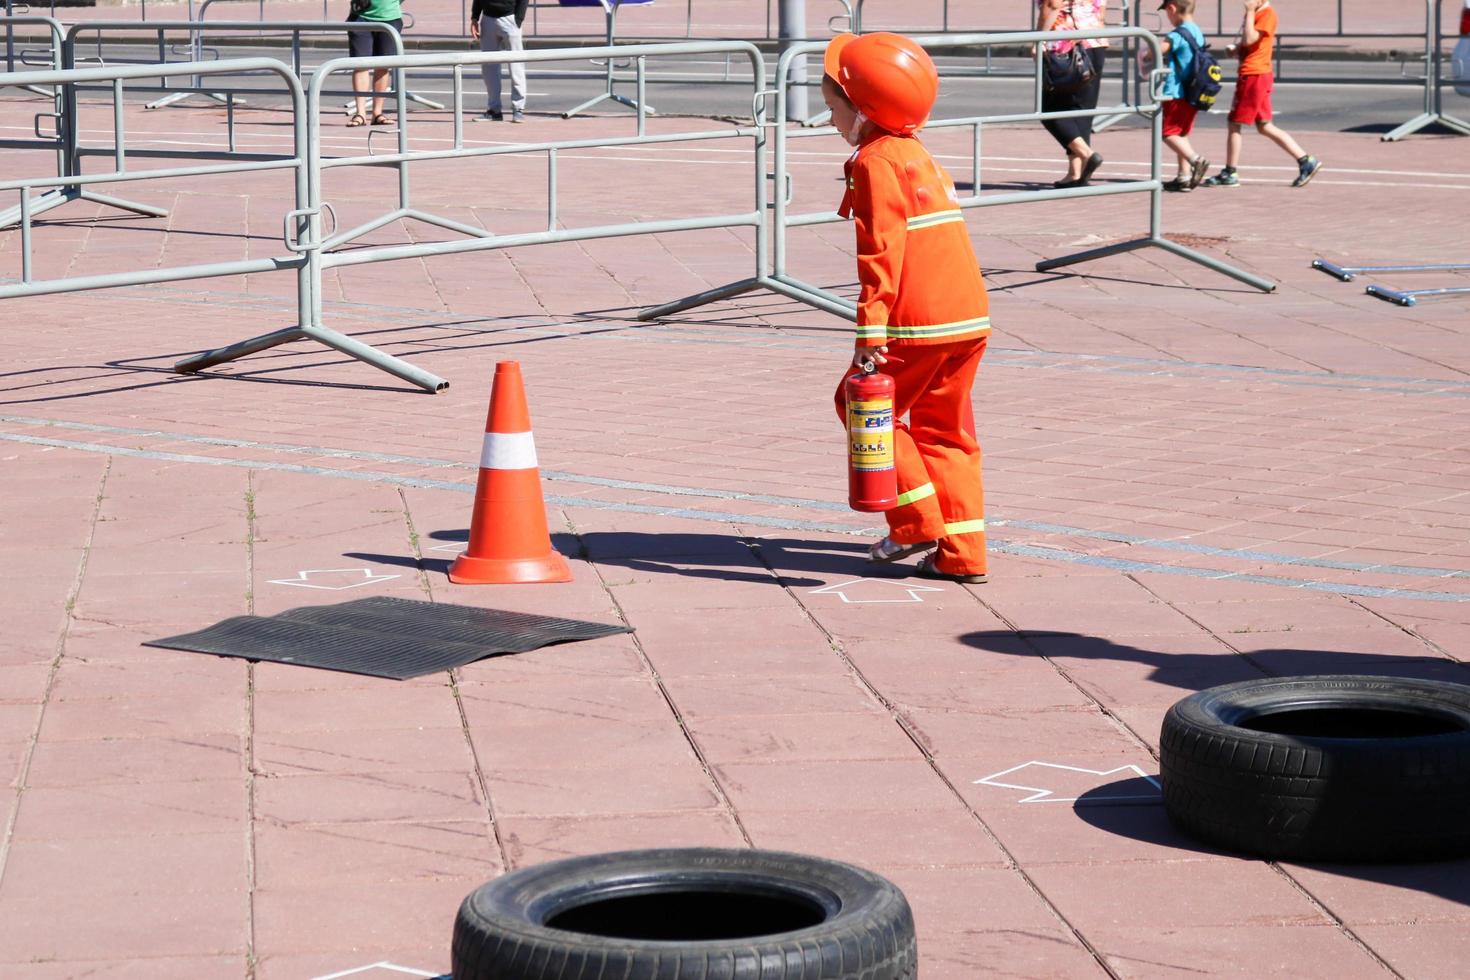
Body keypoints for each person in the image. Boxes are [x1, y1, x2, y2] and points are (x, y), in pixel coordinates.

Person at [822, 32, 993, 585]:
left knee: (860, 405)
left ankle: (916, 521)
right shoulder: (917, 151)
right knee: (947, 431)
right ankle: (963, 553)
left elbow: (881, 254)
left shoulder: (875, 161)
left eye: (833, 107)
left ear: (863, 107)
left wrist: (871, 328)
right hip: (967, 315)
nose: (829, 120)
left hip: (916, 322)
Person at [1202, 0, 1322, 187]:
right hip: (1257, 74)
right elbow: (1252, 44)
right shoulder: (1257, 13)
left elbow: (1250, 38)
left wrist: (1250, 12)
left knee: (1234, 123)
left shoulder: (1266, 14)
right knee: (1264, 125)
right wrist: (1238, 50)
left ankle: (1230, 172)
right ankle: (1305, 161)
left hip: (1254, 76)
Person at [1140, 0, 1210, 191]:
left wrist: (1146, 55)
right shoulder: (1196, 30)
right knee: (1182, 133)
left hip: (1176, 92)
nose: (1168, 17)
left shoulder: (1177, 34)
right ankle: (1184, 177)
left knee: (1168, 134)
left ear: (1171, 8)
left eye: (1167, 13)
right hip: (1193, 92)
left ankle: (1196, 160)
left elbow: (1159, 50)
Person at [1036, 0, 1108, 187]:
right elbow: (1101, 9)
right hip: (1096, 39)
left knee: (1051, 111)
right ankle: (1076, 173)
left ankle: (1088, 156)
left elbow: (1053, 4)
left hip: (1067, 42)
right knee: (1080, 111)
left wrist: (1039, 39)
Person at [470, 0, 529, 122]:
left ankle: (518, 109)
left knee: (516, 66)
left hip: (510, 18)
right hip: (487, 19)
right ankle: (494, 110)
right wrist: (475, 17)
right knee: (489, 68)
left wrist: (518, 19)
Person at [346, 0, 402, 127]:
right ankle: (360, 113)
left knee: (383, 66)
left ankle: (377, 113)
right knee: (360, 65)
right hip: (361, 17)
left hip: (390, 17)